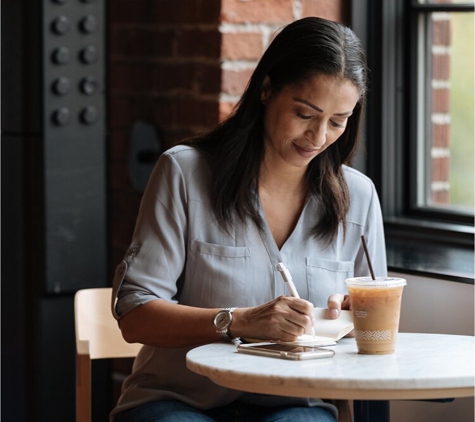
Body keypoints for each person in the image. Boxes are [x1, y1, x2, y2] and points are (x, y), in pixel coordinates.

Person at [110, 16, 387, 422]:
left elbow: (376, 325)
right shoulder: (184, 174)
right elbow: (135, 316)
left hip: (299, 402)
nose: (318, 137)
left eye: (337, 121)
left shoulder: (358, 197)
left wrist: (350, 315)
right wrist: (239, 321)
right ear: (267, 89)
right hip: (177, 400)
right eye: (305, 113)